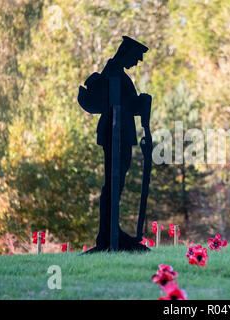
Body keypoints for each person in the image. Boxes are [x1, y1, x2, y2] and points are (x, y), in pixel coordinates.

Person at [78, 36, 152, 252]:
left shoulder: (118, 74)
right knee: (112, 184)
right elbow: (119, 104)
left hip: (121, 134)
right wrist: (141, 103)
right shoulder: (113, 73)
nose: (137, 62)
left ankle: (111, 233)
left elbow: (127, 105)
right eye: (136, 57)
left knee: (115, 185)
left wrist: (142, 103)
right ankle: (108, 236)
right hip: (115, 135)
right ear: (126, 53)